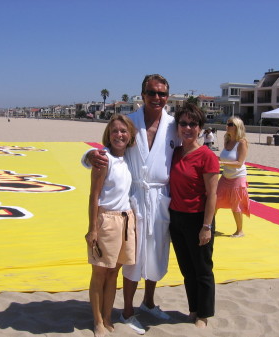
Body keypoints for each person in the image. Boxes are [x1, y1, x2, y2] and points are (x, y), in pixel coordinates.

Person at [82, 74, 179, 334]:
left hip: (160, 197)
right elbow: (107, 148)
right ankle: (126, 311)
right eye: (151, 92)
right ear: (142, 94)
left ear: (167, 96)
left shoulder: (173, 124)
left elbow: (188, 148)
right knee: (133, 258)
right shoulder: (131, 121)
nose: (156, 98)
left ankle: (148, 302)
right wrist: (88, 155)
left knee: (157, 252)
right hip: (133, 198)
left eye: (161, 94)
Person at [85, 115, 137, 337]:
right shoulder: (103, 159)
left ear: (130, 135)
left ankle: (107, 317)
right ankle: (97, 321)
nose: (119, 135)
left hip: (126, 220)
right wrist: (92, 228)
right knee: (100, 272)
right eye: (115, 131)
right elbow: (94, 195)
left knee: (114, 272)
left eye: (123, 131)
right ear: (108, 134)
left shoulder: (130, 158)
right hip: (106, 219)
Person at [169, 103, 219, 329]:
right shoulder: (175, 152)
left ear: (200, 128)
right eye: (183, 123)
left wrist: (206, 226)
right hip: (176, 218)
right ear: (177, 126)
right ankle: (193, 308)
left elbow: (212, 195)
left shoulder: (207, 156)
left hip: (198, 219)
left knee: (202, 269)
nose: (187, 128)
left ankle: (204, 314)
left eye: (193, 124)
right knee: (187, 269)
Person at [216, 117, 250, 238]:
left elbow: (239, 163)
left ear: (237, 127)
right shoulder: (227, 139)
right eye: (227, 123)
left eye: (230, 124)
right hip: (226, 176)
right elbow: (224, 158)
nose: (227, 126)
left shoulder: (242, 142)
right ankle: (209, 226)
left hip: (237, 177)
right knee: (214, 200)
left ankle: (239, 231)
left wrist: (222, 163)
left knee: (236, 205)